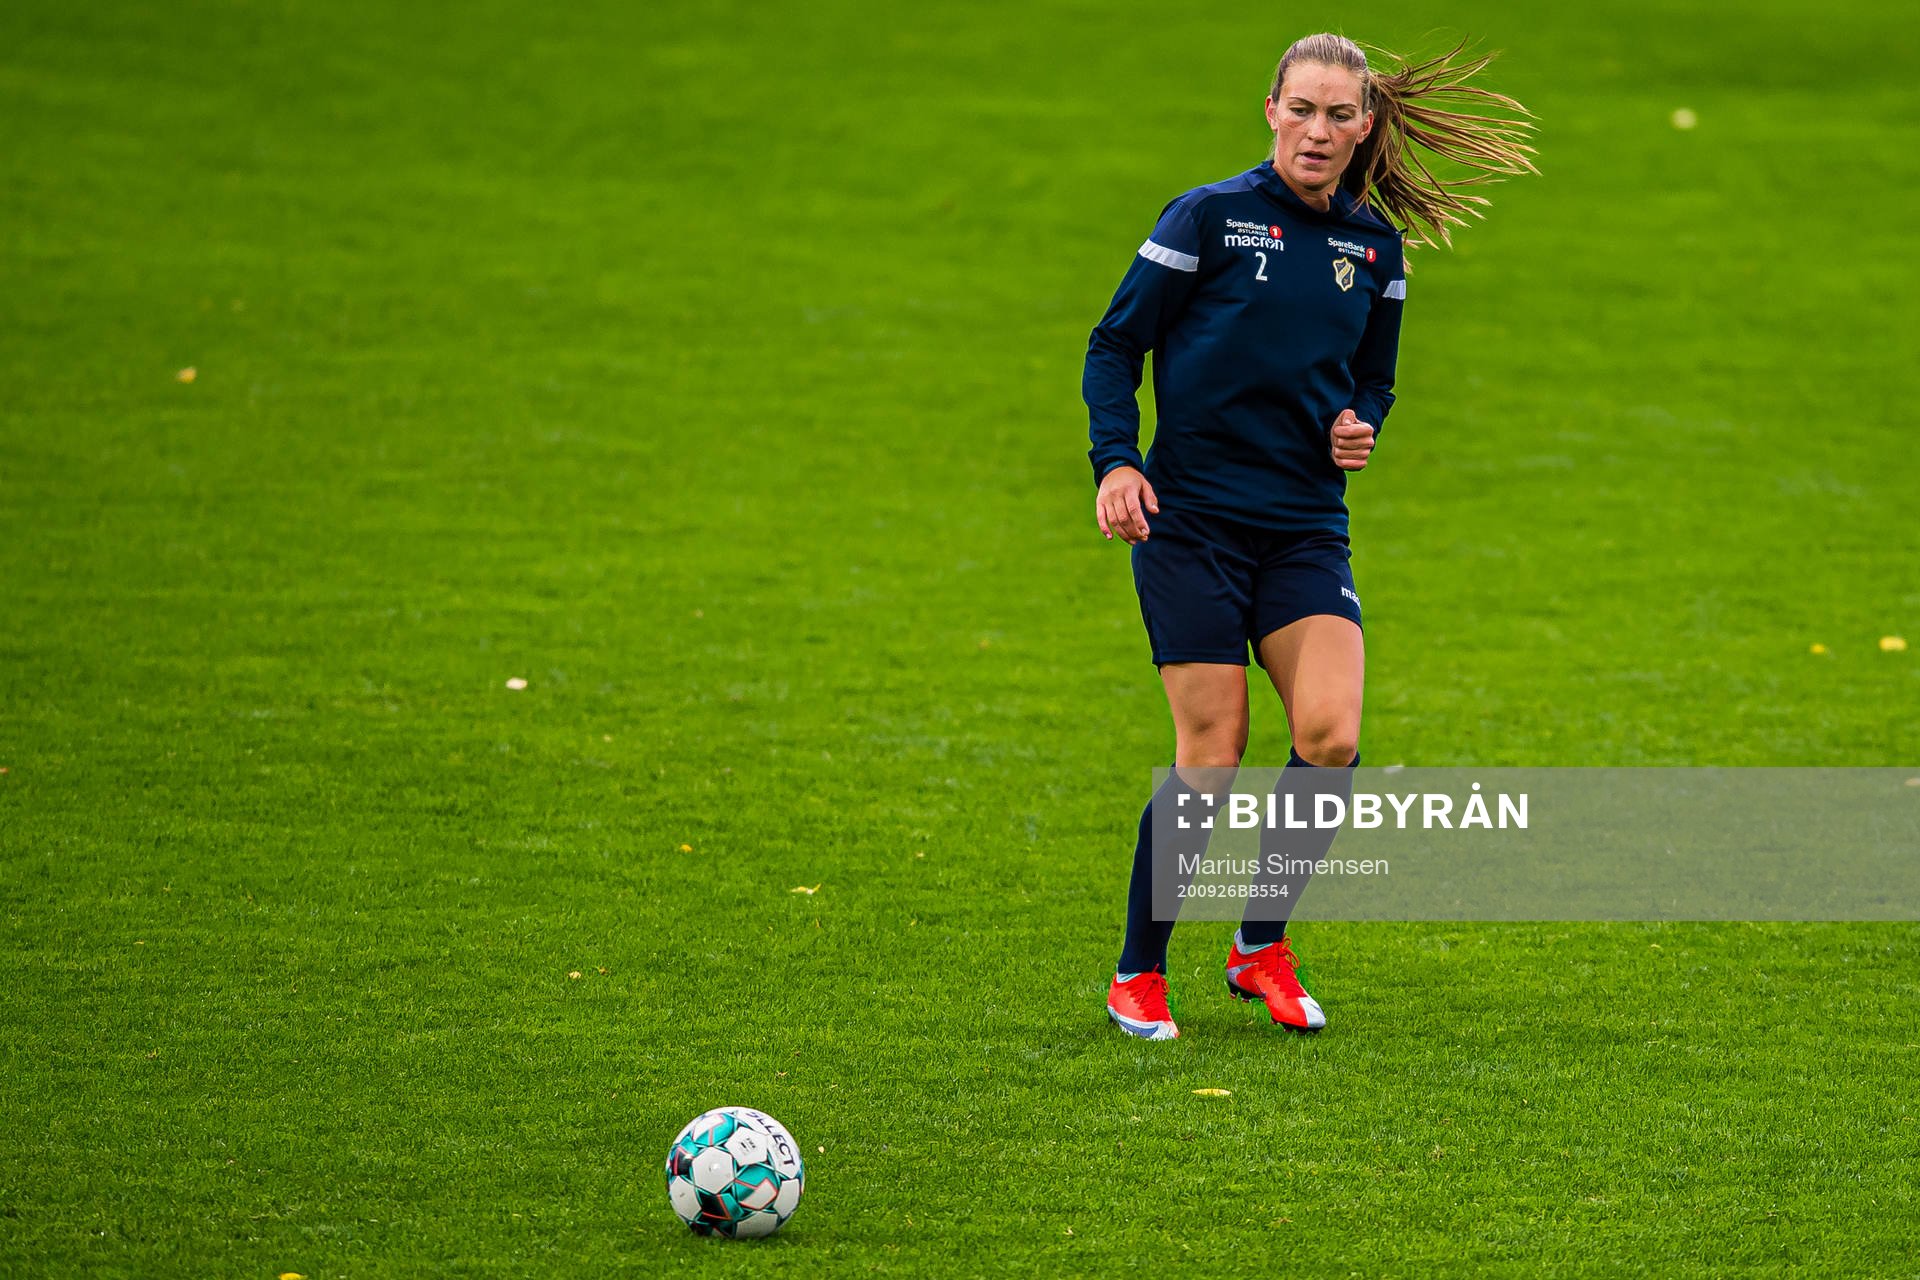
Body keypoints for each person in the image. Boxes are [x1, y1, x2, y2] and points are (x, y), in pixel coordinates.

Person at [1084, 33, 1535, 1038]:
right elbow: (1116, 343)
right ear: (1272, 110)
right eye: (1304, 110)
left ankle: (1259, 948)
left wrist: (1358, 424)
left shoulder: (1375, 250)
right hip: (1190, 519)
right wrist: (1118, 460)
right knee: (1214, 750)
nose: (1319, 131)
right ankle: (1137, 972)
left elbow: (1373, 379)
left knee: (1330, 738)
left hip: (1301, 527)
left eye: (1340, 116)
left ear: (1364, 125)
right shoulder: (1209, 218)